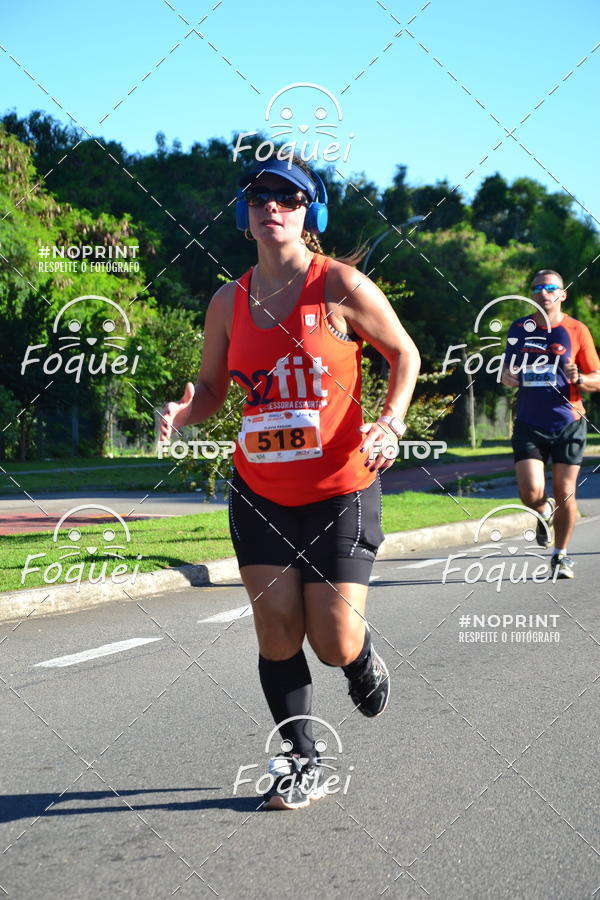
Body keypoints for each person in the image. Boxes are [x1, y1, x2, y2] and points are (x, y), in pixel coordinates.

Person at [160, 155, 420, 809]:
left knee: (333, 641)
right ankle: (302, 761)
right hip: (259, 492)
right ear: (246, 215)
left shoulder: (341, 287)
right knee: (276, 632)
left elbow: (404, 354)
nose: (270, 206)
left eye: (287, 197)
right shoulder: (229, 300)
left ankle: (359, 659)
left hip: (341, 490)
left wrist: (390, 421)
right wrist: (187, 411)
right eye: (258, 196)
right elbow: (215, 390)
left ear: (311, 214)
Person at [501, 269, 600, 579]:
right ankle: (543, 511)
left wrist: (581, 378)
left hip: (568, 421)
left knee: (565, 490)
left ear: (562, 294)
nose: (543, 292)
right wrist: (507, 376)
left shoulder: (577, 330)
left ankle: (561, 555)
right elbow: (507, 368)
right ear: (532, 294)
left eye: (550, 287)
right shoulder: (520, 327)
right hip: (529, 420)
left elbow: (597, 377)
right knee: (531, 492)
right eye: (537, 287)